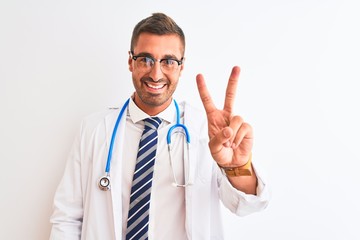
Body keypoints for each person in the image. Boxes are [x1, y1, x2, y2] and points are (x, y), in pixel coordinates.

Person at [50, 12, 270, 240]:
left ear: (181, 67)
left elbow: (246, 205)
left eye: (168, 61)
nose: (156, 74)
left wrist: (238, 166)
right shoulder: (93, 129)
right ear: (130, 61)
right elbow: (66, 219)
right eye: (145, 59)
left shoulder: (207, 131)